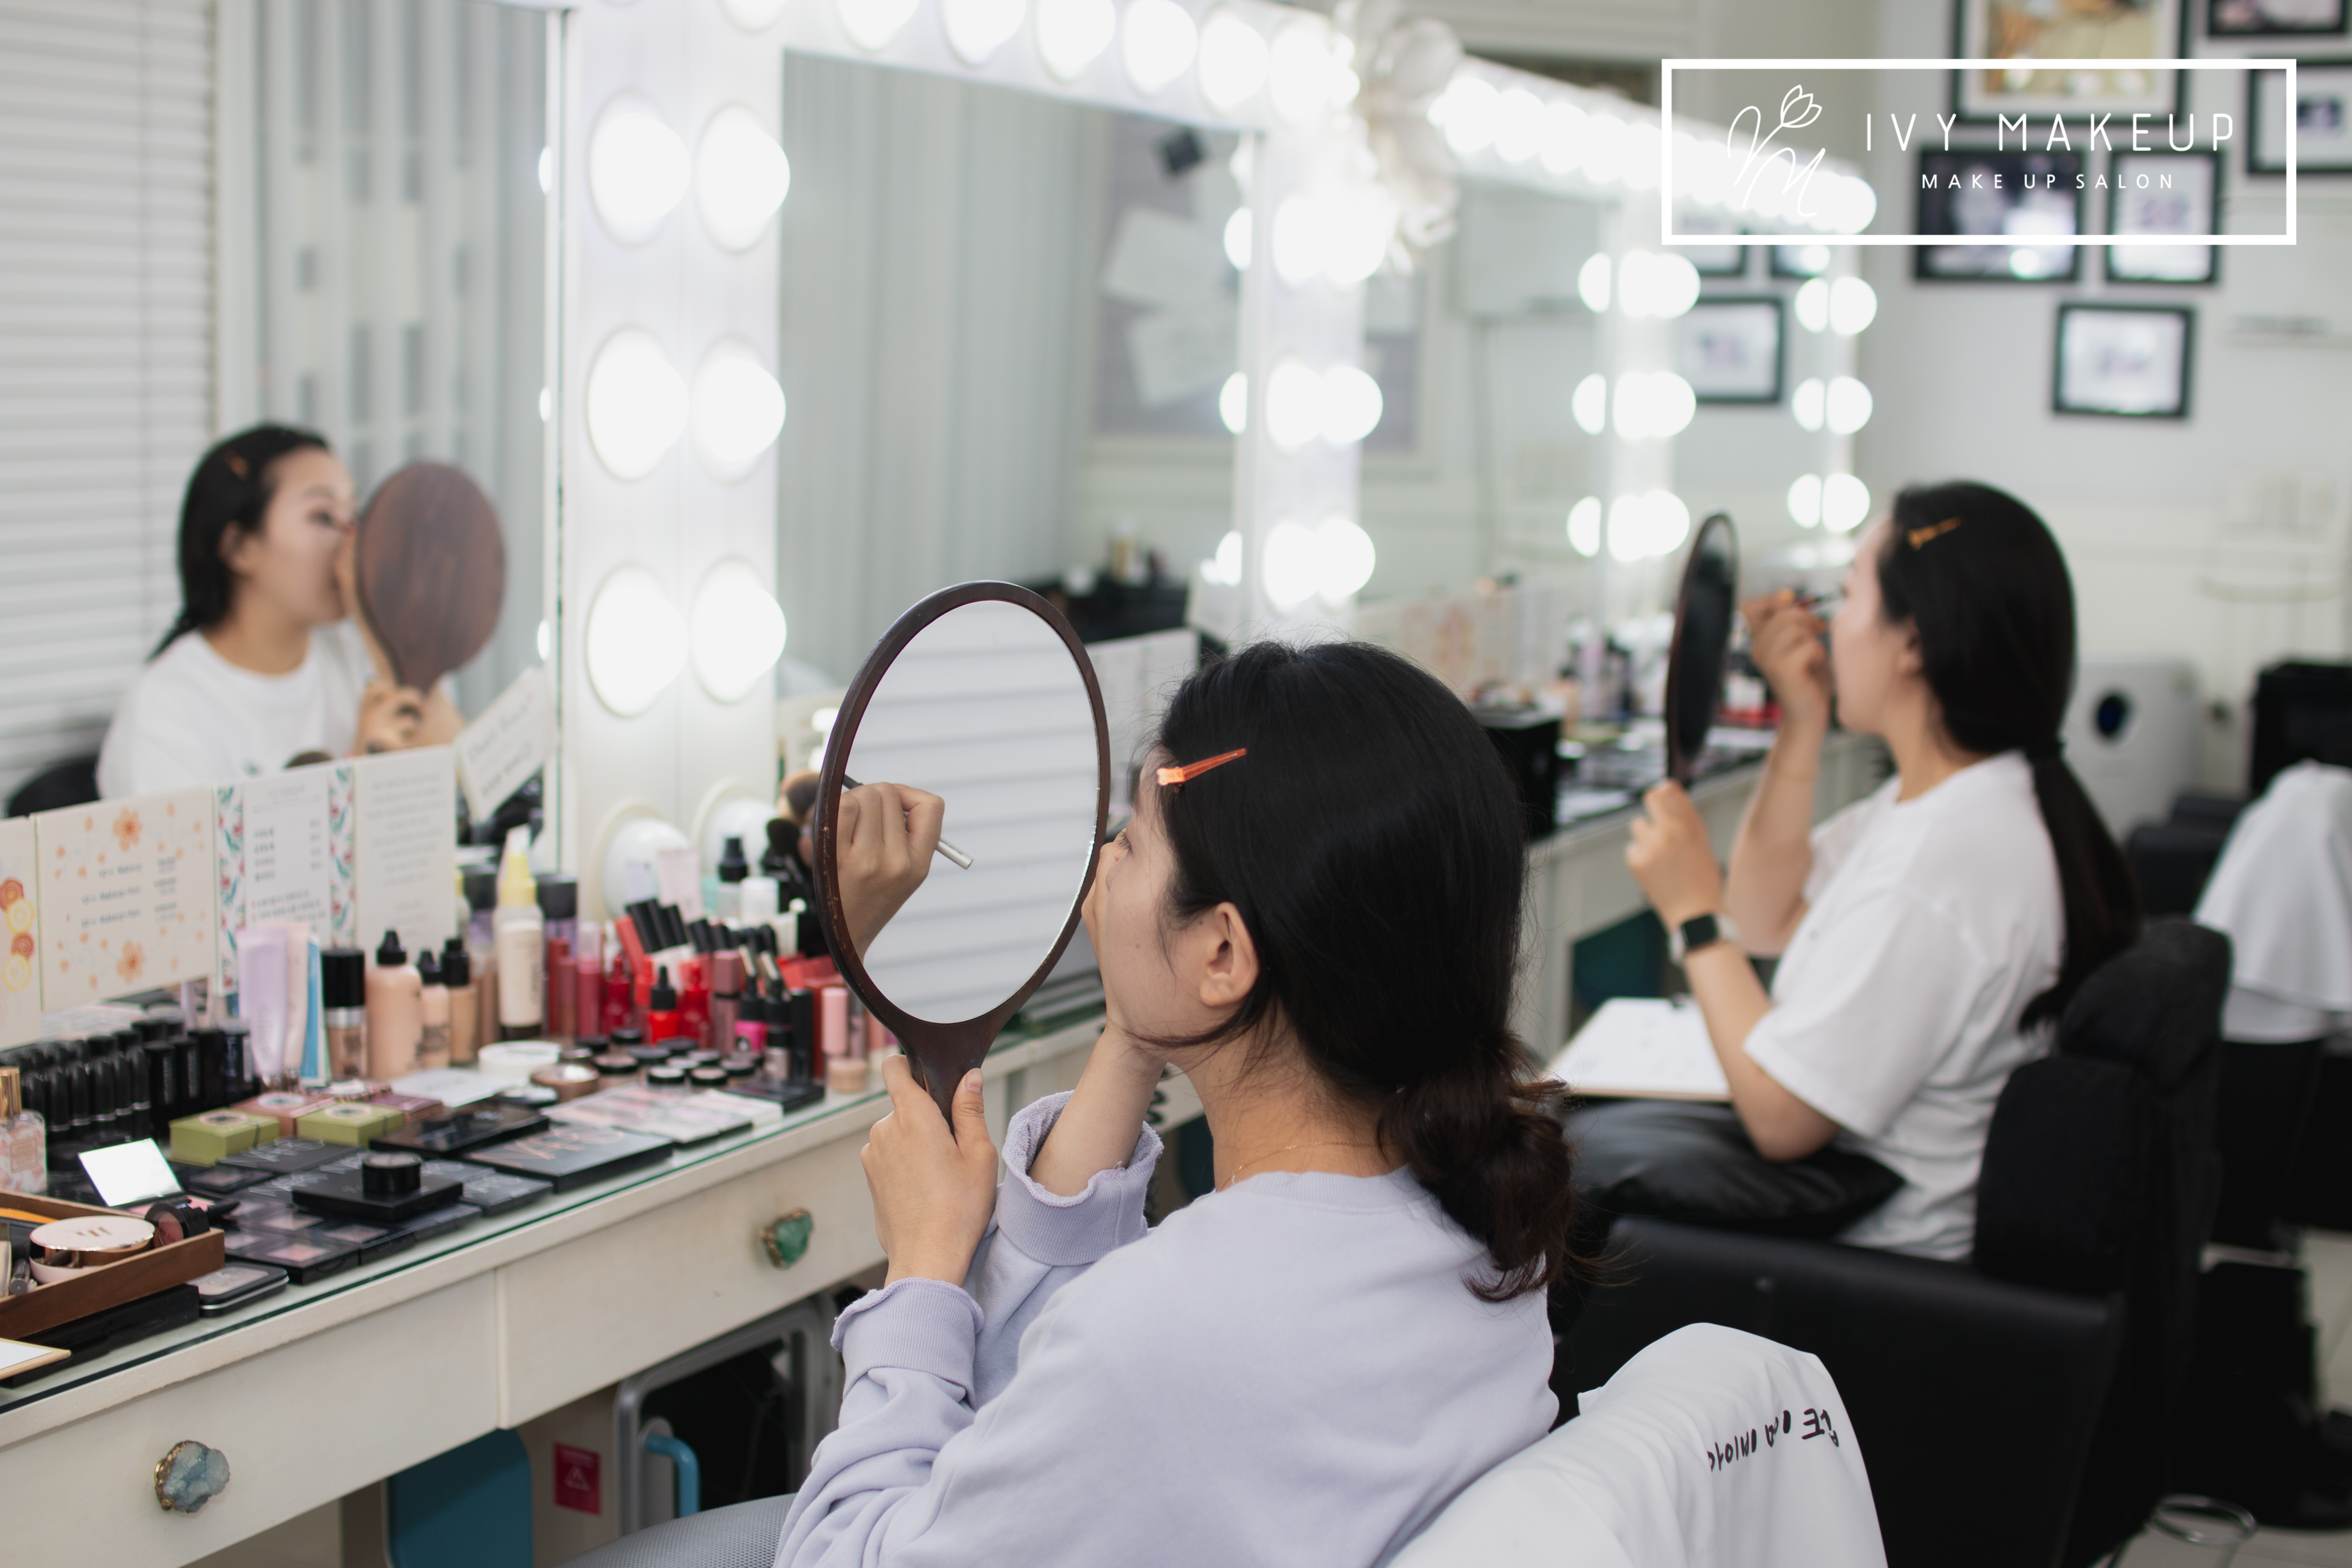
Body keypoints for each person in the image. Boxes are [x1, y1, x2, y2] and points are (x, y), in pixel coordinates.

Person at [776, 642, 1578, 1567]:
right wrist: (1132, 1028)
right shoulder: (1485, 1235)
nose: (1100, 867)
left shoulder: (1164, 1337)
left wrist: (920, 1271)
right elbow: (1033, 1382)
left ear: (1223, 955)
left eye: (1128, 843)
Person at [1619, 480, 2140, 1259]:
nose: (1825, 625)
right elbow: (1764, 914)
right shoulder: (1955, 798)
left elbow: (1781, 1119)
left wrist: (1693, 918)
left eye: (1846, 594)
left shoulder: (1943, 863)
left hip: (1874, 1258)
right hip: (1848, 1201)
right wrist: (1802, 722)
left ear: (1913, 642)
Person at [96, 425, 456, 798]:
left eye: (356, 515)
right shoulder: (165, 707)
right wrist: (359, 775)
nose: (353, 541)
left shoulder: (361, 655)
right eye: (323, 517)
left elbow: (467, 788)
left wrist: (383, 625)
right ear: (239, 548)